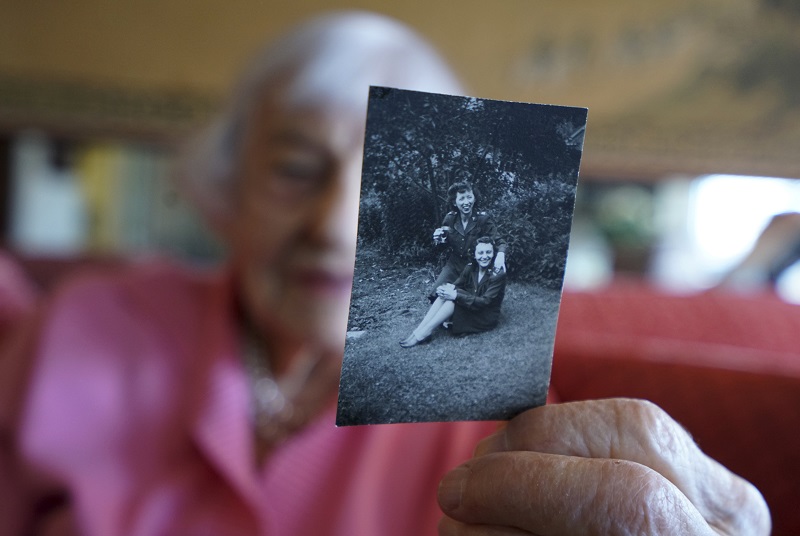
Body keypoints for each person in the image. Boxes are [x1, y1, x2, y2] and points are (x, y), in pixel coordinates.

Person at [0, 10, 770, 536]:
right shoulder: (83, 326)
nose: (333, 223)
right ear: (227, 188)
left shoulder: (487, 421)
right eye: (297, 169)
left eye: (379, 182)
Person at [401, 236, 506, 347]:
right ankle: (419, 329)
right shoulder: (471, 267)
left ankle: (425, 332)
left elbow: (484, 302)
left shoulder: (498, 274)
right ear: (474, 255)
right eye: (480, 253)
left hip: (485, 315)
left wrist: (455, 295)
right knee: (446, 295)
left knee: (452, 299)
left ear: (493, 253)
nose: (484, 257)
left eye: (488, 252)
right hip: (473, 305)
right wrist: (445, 289)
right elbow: (457, 284)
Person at [429, 181, 507, 302]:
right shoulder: (449, 219)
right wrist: (438, 241)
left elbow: (500, 242)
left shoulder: (483, 220)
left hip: (474, 267)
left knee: (467, 300)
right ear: (455, 202)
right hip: (454, 265)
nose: (466, 202)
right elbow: (442, 248)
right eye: (462, 199)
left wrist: (501, 255)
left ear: (474, 199)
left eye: (469, 197)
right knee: (437, 294)